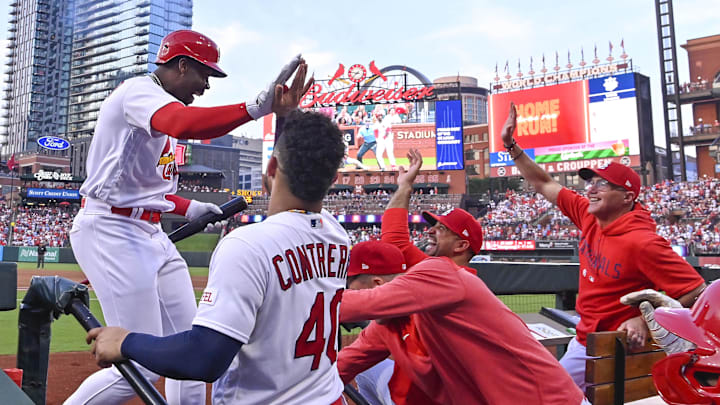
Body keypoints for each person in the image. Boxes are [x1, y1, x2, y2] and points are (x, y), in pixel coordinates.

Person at [66, 29, 312, 405]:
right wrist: (256, 107)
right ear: (182, 66)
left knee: (190, 347)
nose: (206, 85)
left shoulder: (158, 113)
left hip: (148, 231)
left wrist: (189, 207)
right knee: (136, 363)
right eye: (204, 75)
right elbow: (186, 124)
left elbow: (151, 193)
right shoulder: (139, 92)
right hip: (110, 228)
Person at [86, 110, 349, 405]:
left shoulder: (248, 245)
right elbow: (308, 164)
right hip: (329, 397)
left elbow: (205, 359)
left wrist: (127, 341)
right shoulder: (337, 235)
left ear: (271, 166)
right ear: (334, 179)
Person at [339, 149, 586, 404]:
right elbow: (394, 240)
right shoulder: (428, 276)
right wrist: (404, 187)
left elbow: (364, 301)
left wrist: (300, 299)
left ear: (460, 246)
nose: (430, 230)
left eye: (442, 228)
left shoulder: (441, 274)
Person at [499, 101, 706, 390]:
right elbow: (543, 183)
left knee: (545, 394)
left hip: (612, 349)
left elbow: (696, 292)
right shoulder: (588, 214)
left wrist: (646, 321)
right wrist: (511, 146)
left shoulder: (642, 242)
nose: (591, 189)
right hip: (585, 340)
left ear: (627, 197)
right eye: (590, 182)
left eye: (602, 184)